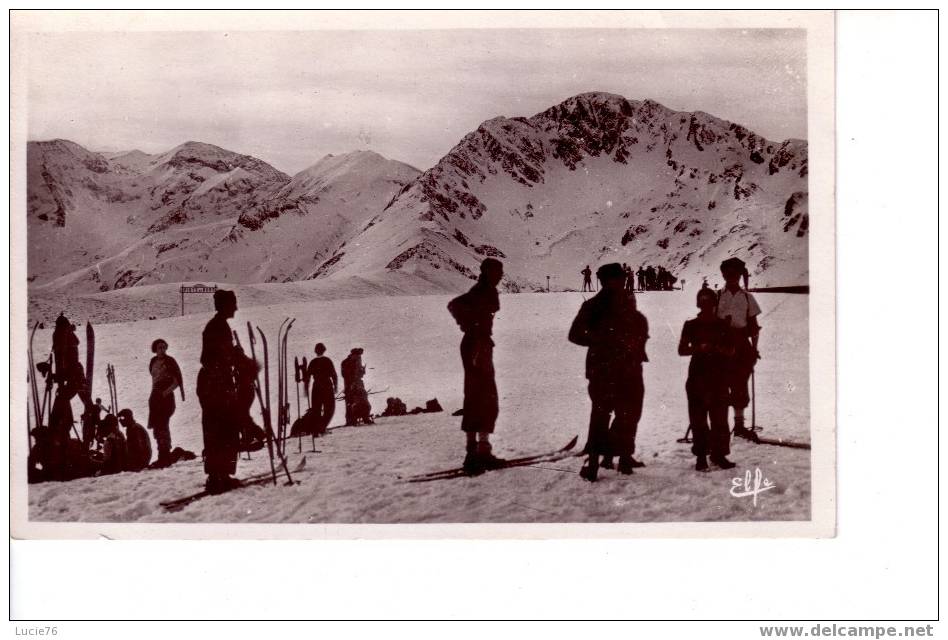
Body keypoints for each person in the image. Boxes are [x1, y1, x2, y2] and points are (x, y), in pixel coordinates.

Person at [568, 263, 649, 481]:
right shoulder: (594, 306)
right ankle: (596, 463)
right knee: (605, 416)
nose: (621, 282)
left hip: (626, 369)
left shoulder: (626, 304)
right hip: (605, 370)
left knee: (627, 414)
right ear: (606, 281)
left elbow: (639, 331)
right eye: (617, 278)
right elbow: (574, 335)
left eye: (621, 278)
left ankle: (621, 458)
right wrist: (602, 340)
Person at [448, 257, 506, 475]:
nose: (501, 276)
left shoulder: (486, 290)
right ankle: (473, 454)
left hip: (479, 344)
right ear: (488, 272)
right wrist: (470, 329)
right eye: (498, 272)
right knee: (478, 398)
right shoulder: (482, 291)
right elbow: (454, 305)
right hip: (476, 346)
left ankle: (481, 450)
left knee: (485, 398)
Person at [678, 287, 736, 471]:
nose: (706, 306)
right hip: (697, 377)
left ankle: (718, 455)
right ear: (698, 304)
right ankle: (701, 457)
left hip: (718, 377)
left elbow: (731, 351)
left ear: (714, 304)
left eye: (709, 302)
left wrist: (718, 349)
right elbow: (681, 350)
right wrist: (699, 348)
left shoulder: (723, 325)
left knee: (720, 419)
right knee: (699, 419)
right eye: (703, 302)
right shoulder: (691, 325)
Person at [196, 290, 242, 494]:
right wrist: (232, 358)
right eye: (233, 304)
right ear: (224, 306)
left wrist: (234, 356)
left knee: (226, 430)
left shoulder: (220, 326)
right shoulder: (216, 328)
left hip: (218, 384)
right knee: (217, 430)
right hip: (214, 386)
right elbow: (209, 359)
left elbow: (223, 356)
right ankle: (216, 477)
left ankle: (223, 474)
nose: (236, 308)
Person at [716, 257, 762, 440]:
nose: (731, 278)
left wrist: (754, 349)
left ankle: (739, 425)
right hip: (720, 346)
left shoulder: (747, 298)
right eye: (728, 275)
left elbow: (753, 326)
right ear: (724, 275)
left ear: (740, 276)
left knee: (740, 384)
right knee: (719, 386)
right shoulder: (717, 296)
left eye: (735, 275)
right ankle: (719, 426)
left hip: (742, 346)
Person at [147, 338, 184, 466]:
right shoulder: (153, 361)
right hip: (155, 397)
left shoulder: (170, 361)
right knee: (157, 427)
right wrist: (154, 395)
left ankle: (165, 455)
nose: (162, 350)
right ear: (155, 349)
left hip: (166, 398)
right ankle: (161, 455)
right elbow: (154, 380)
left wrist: (165, 393)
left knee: (163, 424)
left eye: (164, 347)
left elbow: (176, 381)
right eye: (159, 348)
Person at [306, 343, 338, 434]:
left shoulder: (312, 362)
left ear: (315, 351)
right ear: (324, 350)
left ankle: (316, 430)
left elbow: (307, 377)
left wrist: (306, 389)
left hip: (316, 387)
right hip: (327, 386)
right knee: (329, 409)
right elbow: (334, 375)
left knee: (316, 409)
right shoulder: (327, 360)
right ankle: (322, 428)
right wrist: (335, 386)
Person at [341, 348, 373, 426]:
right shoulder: (349, 361)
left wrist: (362, 371)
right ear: (354, 354)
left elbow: (358, 373)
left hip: (355, 383)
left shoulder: (353, 360)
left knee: (360, 399)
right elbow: (346, 374)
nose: (359, 357)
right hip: (351, 383)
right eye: (358, 355)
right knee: (353, 401)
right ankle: (354, 420)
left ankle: (362, 418)